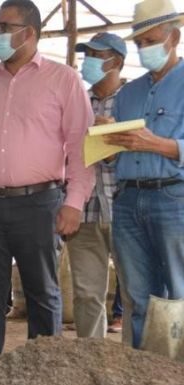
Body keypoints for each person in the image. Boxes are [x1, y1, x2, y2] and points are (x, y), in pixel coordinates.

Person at [0, 0, 95, 358]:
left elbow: (81, 147)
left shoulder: (63, 80)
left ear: (28, 33)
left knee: (42, 292)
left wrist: (74, 203)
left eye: (3, 27)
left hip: (39, 204)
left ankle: (43, 368)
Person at [104, 0, 184, 348]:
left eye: (151, 41)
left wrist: (159, 144)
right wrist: (106, 142)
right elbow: (114, 157)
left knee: (179, 293)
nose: (144, 49)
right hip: (128, 198)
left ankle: (177, 370)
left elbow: (154, 144)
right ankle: (142, 370)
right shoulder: (128, 93)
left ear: (174, 38)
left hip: (174, 198)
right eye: (139, 43)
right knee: (137, 297)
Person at [67, 33, 127, 339]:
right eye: (87, 55)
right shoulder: (77, 102)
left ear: (117, 62)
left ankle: (138, 359)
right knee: (87, 295)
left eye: (96, 55)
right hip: (86, 212)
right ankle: (91, 357)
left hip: (127, 211)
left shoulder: (135, 99)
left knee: (136, 292)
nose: (88, 61)